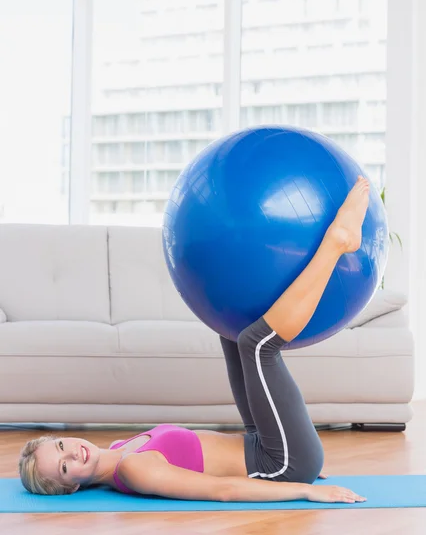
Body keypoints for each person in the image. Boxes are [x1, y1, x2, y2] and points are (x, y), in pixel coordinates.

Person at [19, 177, 370, 504]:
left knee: (230, 335)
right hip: (280, 464)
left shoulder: (118, 447)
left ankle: (296, 453)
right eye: (65, 466)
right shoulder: (130, 468)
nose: (73, 453)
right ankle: (337, 241)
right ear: (72, 486)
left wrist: (301, 457)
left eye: (61, 445)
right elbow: (222, 490)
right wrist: (300, 487)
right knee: (257, 344)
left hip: (272, 450)